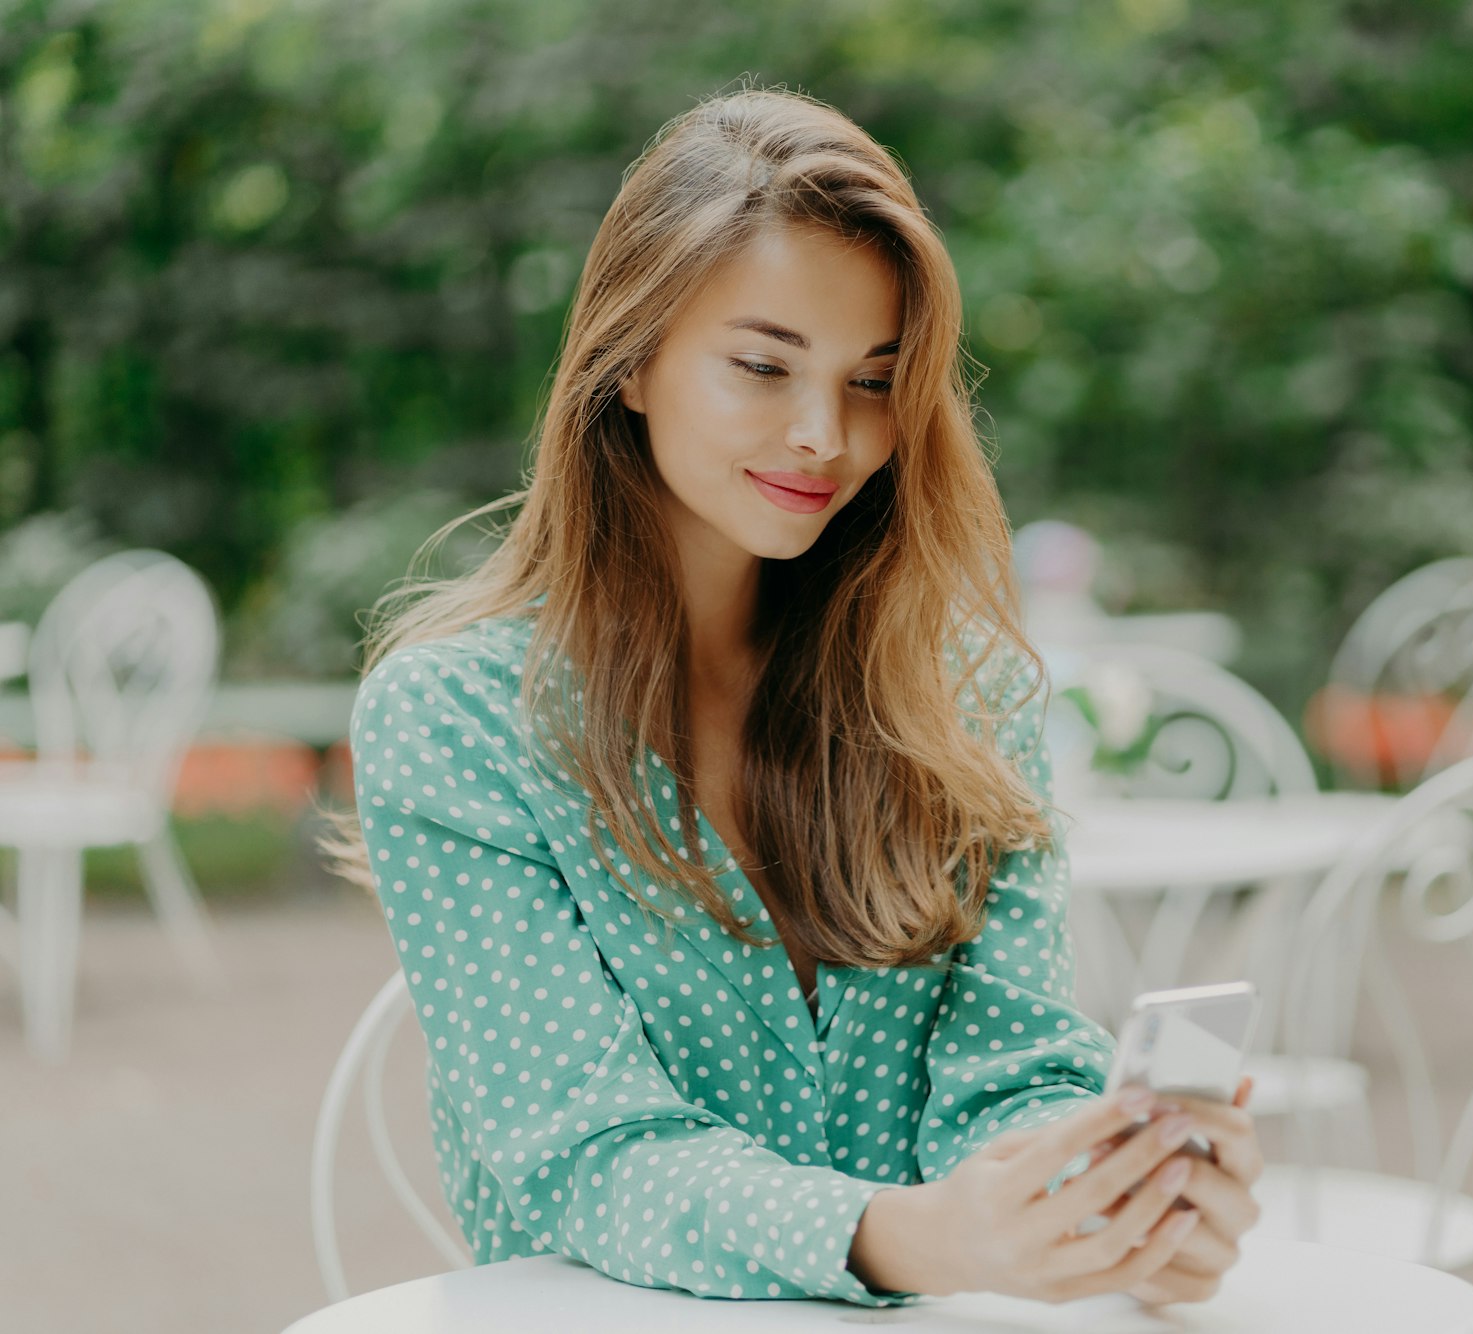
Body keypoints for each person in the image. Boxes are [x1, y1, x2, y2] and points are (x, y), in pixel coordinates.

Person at [327, 84, 1262, 1307]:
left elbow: (1010, 1067)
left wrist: (1102, 1197)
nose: (823, 433)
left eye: (873, 380)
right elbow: (580, 1151)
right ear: (633, 361)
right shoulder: (452, 720)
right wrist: (913, 1236)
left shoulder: (959, 696)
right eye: (762, 365)